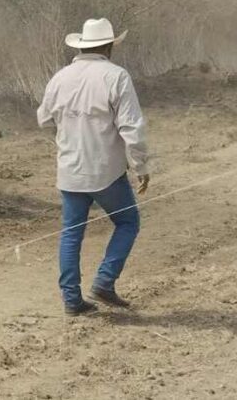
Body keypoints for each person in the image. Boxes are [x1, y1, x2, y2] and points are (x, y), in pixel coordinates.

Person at [36, 18, 149, 316]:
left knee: (71, 233)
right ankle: (104, 281)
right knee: (128, 223)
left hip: (70, 169)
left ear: (82, 46)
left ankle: (72, 300)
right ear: (109, 46)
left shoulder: (60, 77)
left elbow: (43, 119)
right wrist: (140, 165)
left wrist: (67, 131)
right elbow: (131, 127)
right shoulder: (116, 76)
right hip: (105, 170)